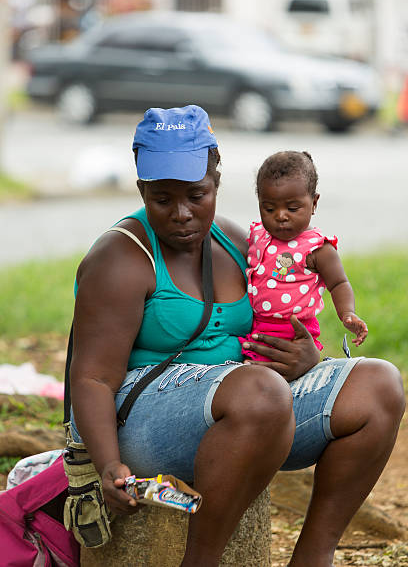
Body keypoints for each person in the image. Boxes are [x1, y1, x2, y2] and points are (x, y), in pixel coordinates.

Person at [70, 105, 405, 567]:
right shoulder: (122, 257)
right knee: (260, 391)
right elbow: (91, 379)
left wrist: (306, 358)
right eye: (162, 199)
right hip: (141, 421)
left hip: (250, 413)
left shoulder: (236, 242)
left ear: (217, 180)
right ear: (141, 189)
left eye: (197, 195)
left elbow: (285, 311)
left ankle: (313, 556)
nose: (183, 214)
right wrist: (108, 465)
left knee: (379, 384)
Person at [240, 150, 367, 361]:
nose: (280, 216)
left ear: (314, 203)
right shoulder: (258, 235)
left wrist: (347, 314)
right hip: (256, 327)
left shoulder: (317, 248)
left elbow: (338, 283)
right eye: (269, 208)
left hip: (295, 333)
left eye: (292, 208)